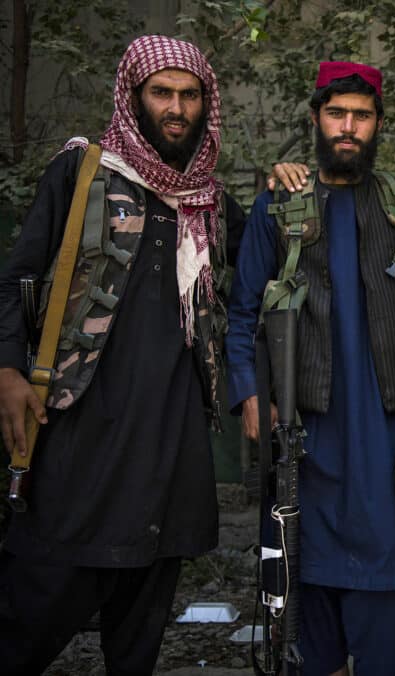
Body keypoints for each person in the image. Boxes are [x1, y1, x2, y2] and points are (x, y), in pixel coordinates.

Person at [225, 61, 395, 676]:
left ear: (377, 125)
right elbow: (241, 314)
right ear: (317, 119)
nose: (349, 127)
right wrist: (249, 394)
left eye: (362, 116)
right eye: (337, 114)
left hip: (381, 434)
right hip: (302, 428)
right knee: (302, 578)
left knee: (382, 577)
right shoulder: (279, 205)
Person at [0, 35, 246, 674]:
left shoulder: (210, 203)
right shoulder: (82, 172)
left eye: (189, 96)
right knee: (34, 612)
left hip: (171, 444)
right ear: (134, 96)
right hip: (82, 432)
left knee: (139, 636)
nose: (176, 108)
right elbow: (16, 276)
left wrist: (285, 182)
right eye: (162, 93)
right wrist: (7, 370)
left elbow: (259, 278)